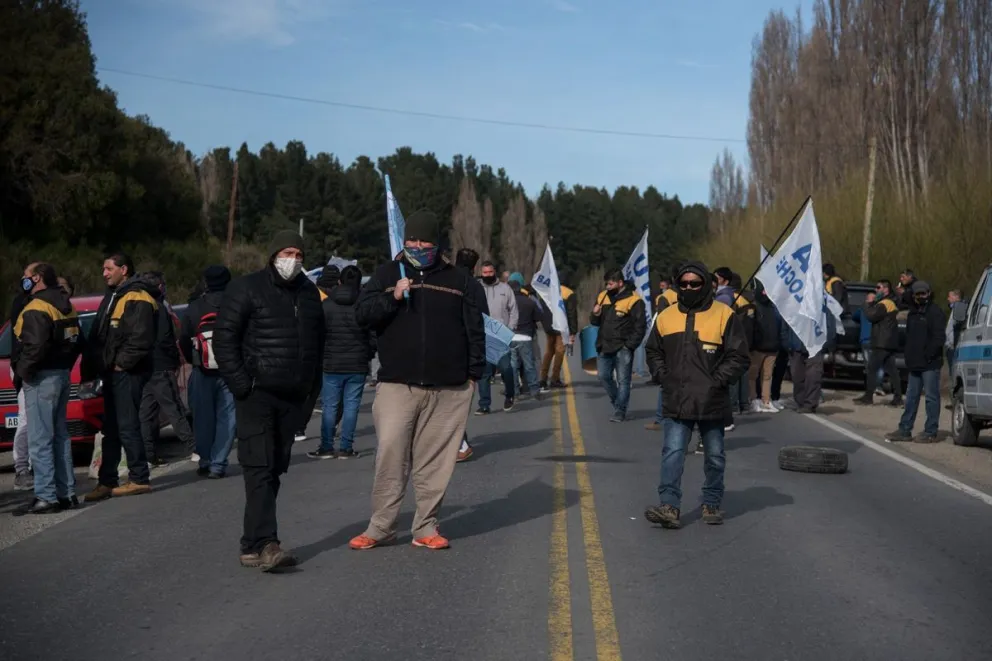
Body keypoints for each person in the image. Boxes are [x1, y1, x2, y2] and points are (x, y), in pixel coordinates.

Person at [349, 210, 485, 551]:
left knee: (435, 462)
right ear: (404, 240)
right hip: (398, 384)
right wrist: (391, 296)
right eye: (413, 239)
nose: (418, 245)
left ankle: (425, 526)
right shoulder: (385, 274)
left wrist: (473, 376)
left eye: (425, 240)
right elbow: (362, 316)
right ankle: (381, 526)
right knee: (391, 455)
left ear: (437, 243)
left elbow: (475, 329)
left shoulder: (460, 281)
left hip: (450, 388)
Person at [213, 230, 323, 571]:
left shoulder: (308, 294)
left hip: (292, 397)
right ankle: (267, 544)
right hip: (256, 394)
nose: (292, 259)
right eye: (287, 252)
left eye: (298, 254)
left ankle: (251, 542)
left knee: (273, 468)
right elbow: (224, 339)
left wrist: (310, 393)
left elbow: (317, 345)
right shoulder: (246, 288)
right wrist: (242, 384)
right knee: (258, 466)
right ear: (273, 254)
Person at [643, 261, 749, 529]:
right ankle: (669, 505)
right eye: (684, 283)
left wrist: (716, 382)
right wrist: (663, 376)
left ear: (706, 285)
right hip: (677, 398)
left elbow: (738, 356)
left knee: (714, 454)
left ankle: (711, 503)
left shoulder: (724, 314)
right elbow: (653, 351)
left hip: (712, 400)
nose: (689, 288)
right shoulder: (666, 316)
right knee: (673, 452)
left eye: (695, 283)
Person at [82, 253, 159, 501]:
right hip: (113, 373)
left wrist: (120, 365)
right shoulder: (114, 295)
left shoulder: (138, 296)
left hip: (128, 373)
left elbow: (140, 339)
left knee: (127, 425)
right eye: (103, 269)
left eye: (108, 268)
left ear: (123, 269)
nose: (104, 273)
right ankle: (107, 481)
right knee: (111, 429)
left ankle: (138, 478)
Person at [11, 264, 82, 516]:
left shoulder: (36, 307)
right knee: (60, 436)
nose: (23, 280)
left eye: (26, 276)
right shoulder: (65, 304)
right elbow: (76, 341)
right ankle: (67, 493)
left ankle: (46, 496)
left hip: (42, 378)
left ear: (37, 278)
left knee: (39, 439)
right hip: (62, 374)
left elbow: (34, 347)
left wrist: (22, 372)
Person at [308, 265, 374, 460]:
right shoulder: (364, 305)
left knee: (330, 406)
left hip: (331, 362)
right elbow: (372, 335)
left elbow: (318, 334)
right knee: (351, 405)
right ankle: (346, 447)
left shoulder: (326, 305)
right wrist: (368, 353)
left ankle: (326, 446)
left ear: (339, 281)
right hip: (357, 363)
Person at [178, 265, 236, 478]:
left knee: (202, 418)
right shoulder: (236, 304)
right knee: (228, 418)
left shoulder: (195, 307)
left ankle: (205, 459)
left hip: (202, 369)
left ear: (206, 282)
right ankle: (218, 464)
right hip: (231, 370)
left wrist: (193, 359)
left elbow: (183, 338)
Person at [139, 272, 195, 466]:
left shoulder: (138, 304)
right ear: (160, 287)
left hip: (143, 367)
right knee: (174, 409)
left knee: (146, 413)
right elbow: (166, 339)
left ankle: (148, 455)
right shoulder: (158, 307)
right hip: (161, 366)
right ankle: (194, 448)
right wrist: (174, 361)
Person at [886, 282, 945, 443]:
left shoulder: (935, 312)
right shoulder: (912, 312)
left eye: (923, 294)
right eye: (917, 294)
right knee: (911, 397)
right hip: (914, 363)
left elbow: (939, 338)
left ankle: (930, 431)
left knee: (931, 398)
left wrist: (928, 355)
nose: (920, 297)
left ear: (929, 293)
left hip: (930, 363)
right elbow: (904, 299)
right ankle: (905, 429)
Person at [590, 269, 646, 422]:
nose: (608, 286)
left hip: (623, 348)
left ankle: (620, 411)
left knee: (623, 380)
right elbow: (594, 322)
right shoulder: (602, 297)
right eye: (606, 283)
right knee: (603, 376)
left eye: (611, 283)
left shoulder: (634, 300)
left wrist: (629, 346)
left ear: (620, 283)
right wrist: (595, 313)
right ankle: (618, 404)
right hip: (604, 345)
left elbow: (640, 326)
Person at [477, 260, 518, 414]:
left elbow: (513, 310)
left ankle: (510, 395)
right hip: (483, 336)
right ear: (481, 273)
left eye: (490, 272)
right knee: (484, 373)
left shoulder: (505, 289)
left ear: (495, 272)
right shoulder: (477, 288)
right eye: (485, 272)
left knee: (506, 368)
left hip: (502, 336)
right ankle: (484, 404)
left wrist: (510, 330)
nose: (487, 275)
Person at [782, 296, 836, 414]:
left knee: (813, 376)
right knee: (797, 376)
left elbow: (831, 327)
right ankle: (801, 402)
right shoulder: (793, 306)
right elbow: (785, 324)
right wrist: (787, 343)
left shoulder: (823, 308)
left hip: (815, 347)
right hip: (796, 346)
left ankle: (810, 404)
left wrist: (825, 344)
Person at [853, 279, 903, 407]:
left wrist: (867, 304)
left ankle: (868, 397)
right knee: (892, 371)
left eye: (878, 287)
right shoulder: (889, 303)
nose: (876, 290)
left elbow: (871, 316)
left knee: (872, 369)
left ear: (886, 289)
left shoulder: (885, 303)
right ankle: (898, 398)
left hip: (882, 342)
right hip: (888, 342)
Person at [645, 277, 679, 431]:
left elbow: (661, 322)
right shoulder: (701, 297)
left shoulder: (666, 297)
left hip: (671, 344)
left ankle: (661, 419)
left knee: (666, 384)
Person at [8, 284, 32, 492]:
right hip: (26, 369)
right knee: (25, 420)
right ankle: (22, 468)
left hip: (35, 369)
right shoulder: (23, 303)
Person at [748, 281, 782, 413]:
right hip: (759, 347)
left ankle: (766, 400)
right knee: (754, 375)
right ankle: (753, 399)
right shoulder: (754, 307)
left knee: (767, 376)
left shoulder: (773, 307)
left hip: (771, 347)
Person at [508, 272, 543, 399]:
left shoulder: (507, 303)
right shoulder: (529, 302)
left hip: (510, 336)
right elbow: (539, 317)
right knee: (529, 365)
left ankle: (515, 391)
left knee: (513, 366)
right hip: (526, 336)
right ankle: (534, 390)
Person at [539, 280, 577, 391]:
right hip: (561, 327)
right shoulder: (568, 293)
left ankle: (542, 379)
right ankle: (555, 379)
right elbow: (571, 313)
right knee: (560, 352)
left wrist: (546, 326)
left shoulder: (547, 291)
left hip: (548, 327)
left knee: (549, 352)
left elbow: (542, 310)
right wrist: (573, 331)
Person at [945, 289, 967, 383]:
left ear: (957, 297)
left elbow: (956, 328)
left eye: (950, 296)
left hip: (953, 346)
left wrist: (952, 343)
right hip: (950, 346)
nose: (948, 299)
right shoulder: (954, 309)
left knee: (953, 372)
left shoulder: (959, 310)